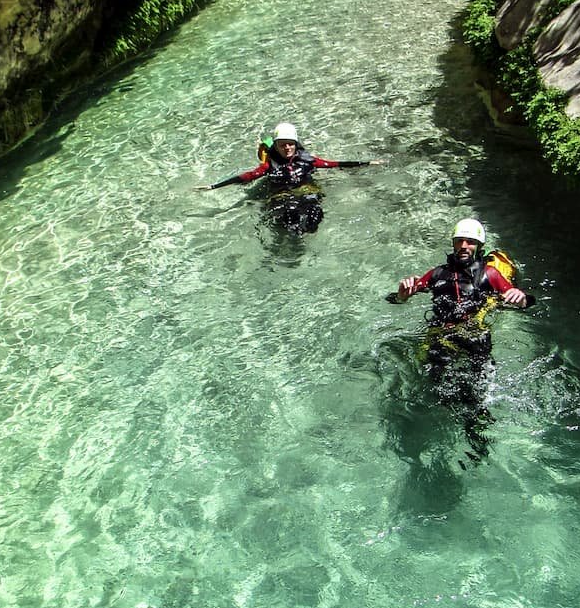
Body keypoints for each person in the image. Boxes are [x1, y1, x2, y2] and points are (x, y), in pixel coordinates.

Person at [392, 218, 530, 461]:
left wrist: (521, 299)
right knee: (437, 383)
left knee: (475, 388)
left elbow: (522, 299)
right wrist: (402, 295)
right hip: (442, 335)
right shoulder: (437, 274)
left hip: (474, 333)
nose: (464, 245)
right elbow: (396, 299)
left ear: (479, 246)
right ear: (454, 244)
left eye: (470, 241)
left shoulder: (490, 274)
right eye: (460, 241)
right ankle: (446, 423)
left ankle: (477, 433)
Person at [197, 122, 383, 235]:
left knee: (314, 215)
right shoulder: (268, 166)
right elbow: (245, 177)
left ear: (296, 144)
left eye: (290, 144)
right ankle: (293, 239)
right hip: (282, 196)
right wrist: (213, 186)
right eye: (282, 145)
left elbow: (334, 164)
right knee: (289, 216)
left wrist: (367, 163)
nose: (287, 148)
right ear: (275, 147)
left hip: (307, 191)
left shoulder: (308, 161)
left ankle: (304, 237)